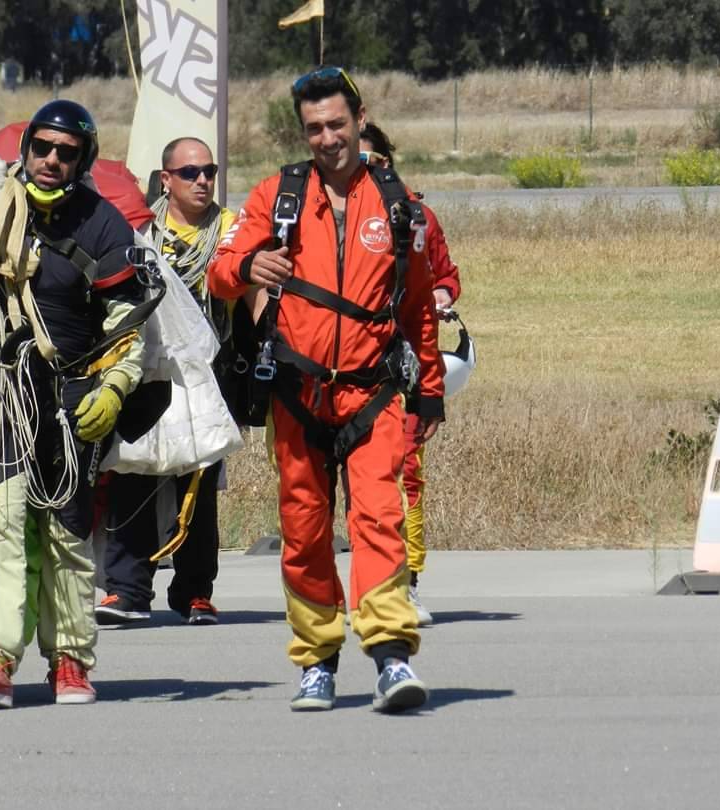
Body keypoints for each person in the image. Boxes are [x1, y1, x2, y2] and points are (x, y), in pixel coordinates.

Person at [208, 67, 446, 713]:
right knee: (305, 531)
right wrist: (249, 265)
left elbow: (419, 304)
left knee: (379, 520)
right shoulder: (275, 195)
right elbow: (220, 270)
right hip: (297, 396)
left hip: (373, 396)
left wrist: (428, 391)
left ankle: (391, 656)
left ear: (360, 118)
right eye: (314, 128)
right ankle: (316, 660)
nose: (327, 138)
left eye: (337, 124)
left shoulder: (401, 205)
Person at [0, 99, 147, 708]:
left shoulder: (102, 224)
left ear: (81, 159)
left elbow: (130, 324)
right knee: (0, 522)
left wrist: (116, 387)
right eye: (43, 147)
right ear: (26, 147)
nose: (51, 160)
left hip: (69, 396)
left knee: (65, 532)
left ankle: (69, 660)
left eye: (66, 152)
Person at [96, 137, 235, 626]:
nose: (203, 181)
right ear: (166, 180)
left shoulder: (231, 231)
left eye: (209, 172)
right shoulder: (142, 233)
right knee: (134, 473)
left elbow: (241, 283)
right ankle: (127, 589)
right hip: (150, 371)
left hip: (207, 376)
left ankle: (195, 591)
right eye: (191, 173)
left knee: (197, 481)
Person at [359, 122, 462, 627]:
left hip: (399, 369)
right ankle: (364, 583)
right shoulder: (318, 214)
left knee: (406, 477)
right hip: (339, 370)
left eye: (373, 162)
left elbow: (443, 275)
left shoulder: (417, 217)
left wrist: (441, 295)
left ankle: (407, 582)